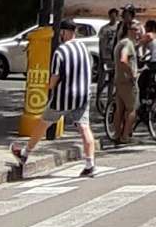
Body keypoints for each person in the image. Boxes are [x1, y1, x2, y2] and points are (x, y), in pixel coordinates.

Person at [11, 17, 96, 177]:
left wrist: (49, 86)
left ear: (63, 33)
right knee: (84, 127)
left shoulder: (60, 52)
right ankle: (90, 163)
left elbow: (55, 77)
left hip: (63, 97)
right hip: (83, 95)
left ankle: (25, 153)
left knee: (43, 123)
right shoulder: (84, 49)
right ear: (75, 32)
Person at [112, 18, 141, 143]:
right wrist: (131, 73)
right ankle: (125, 136)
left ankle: (117, 134)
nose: (137, 32)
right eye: (135, 30)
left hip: (118, 80)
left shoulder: (120, 43)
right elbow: (123, 60)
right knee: (131, 109)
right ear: (128, 30)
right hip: (127, 82)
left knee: (119, 110)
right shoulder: (127, 44)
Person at [138, 19, 156, 101]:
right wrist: (145, 56)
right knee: (149, 78)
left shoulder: (148, 35)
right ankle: (151, 94)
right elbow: (155, 50)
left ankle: (144, 100)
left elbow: (137, 45)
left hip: (155, 62)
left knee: (141, 81)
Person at [96, 7, 120, 107]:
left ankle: (110, 100)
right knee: (101, 79)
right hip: (105, 57)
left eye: (114, 16)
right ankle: (98, 100)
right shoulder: (104, 29)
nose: (112, 18)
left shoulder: (119, 28)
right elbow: (100, 43)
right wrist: (101, 55)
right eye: (111, 16)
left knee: (112, 80)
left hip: (114, 57)